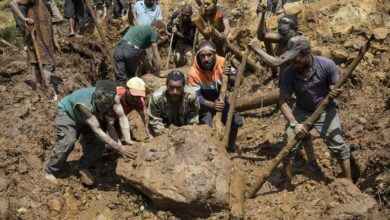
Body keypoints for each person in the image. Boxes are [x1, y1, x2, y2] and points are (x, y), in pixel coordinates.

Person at [278, 36, 352, 190]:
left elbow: (337, 86)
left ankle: (350, 182)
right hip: (302, 110)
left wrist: (335, 91)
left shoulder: (326, 64)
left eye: (296, 60)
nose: (293, 64)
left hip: (326, 109)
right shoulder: (289, 72)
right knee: (287, 147)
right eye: (290, 61)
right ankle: (287, 185)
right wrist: (294, 123)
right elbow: (283, 101)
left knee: (338, 144)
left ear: (306, 54)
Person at [44, 80, 136, 185]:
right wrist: (119, 147)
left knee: (99, 145)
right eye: (102, 103)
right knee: (68, 141)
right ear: (96, 96)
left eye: (107, 103)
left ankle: (82, 166)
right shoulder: (83, 105)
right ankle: (50, 170)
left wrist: (128, 139)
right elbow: (97, 129)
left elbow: (122, 116)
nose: (105, 106)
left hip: (89, 118)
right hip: (68, 114)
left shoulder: (114, 97)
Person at [188, 41, 243, 153]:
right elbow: (196, 97)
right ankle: (207, 151)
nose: (206, 59)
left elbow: (238, 81)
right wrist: (212, 105)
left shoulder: (223, 62)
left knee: (235, 121)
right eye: (203, 56)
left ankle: (231, 146)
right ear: (198, 56)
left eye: (209, 55)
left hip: (220, 98)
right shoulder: (193, 72)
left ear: (214, 55)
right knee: (205, 127)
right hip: (204, 102)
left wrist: (229, 75)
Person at [10, 0, 57, 100]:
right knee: (42, 63)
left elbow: (53, 20)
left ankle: (43, 89)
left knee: (46, 63)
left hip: (46, 37)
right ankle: (45, 89)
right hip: (35, 34)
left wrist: (54, 40)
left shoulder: (47, 2)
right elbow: (12, 3)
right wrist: (24, 19)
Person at [249, 12, 301, 82]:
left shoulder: (298, 44)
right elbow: (261, 36)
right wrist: (262, 15)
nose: (282, 35)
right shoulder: (284, 37)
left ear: (295, 29)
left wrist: (256, 48)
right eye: (281, 33)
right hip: (285, 85)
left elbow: (276, 63)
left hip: (295, 87)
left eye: (285, 32)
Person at [113, 20, 166, 86]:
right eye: (161, 32)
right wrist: (159, 72)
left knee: (121, 79)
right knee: (133, 78)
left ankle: (119, 93)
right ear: (157, 27)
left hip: (118, 49)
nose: (159, 35)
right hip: (130, 51)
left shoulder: (141, 30)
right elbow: (156, 54)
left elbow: (141, 53)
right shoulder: (153, 32)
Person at [148, 70, 200, 136]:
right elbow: (155, 121)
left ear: (183, 87)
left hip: (185, 128)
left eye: (178, 88)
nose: (174, 92)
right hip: (164, 129)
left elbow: (194, 118)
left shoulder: (191, 96)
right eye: (171, 87)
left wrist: (189, 133)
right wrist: (165, 136)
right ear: (166, 85)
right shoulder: (156, 98)